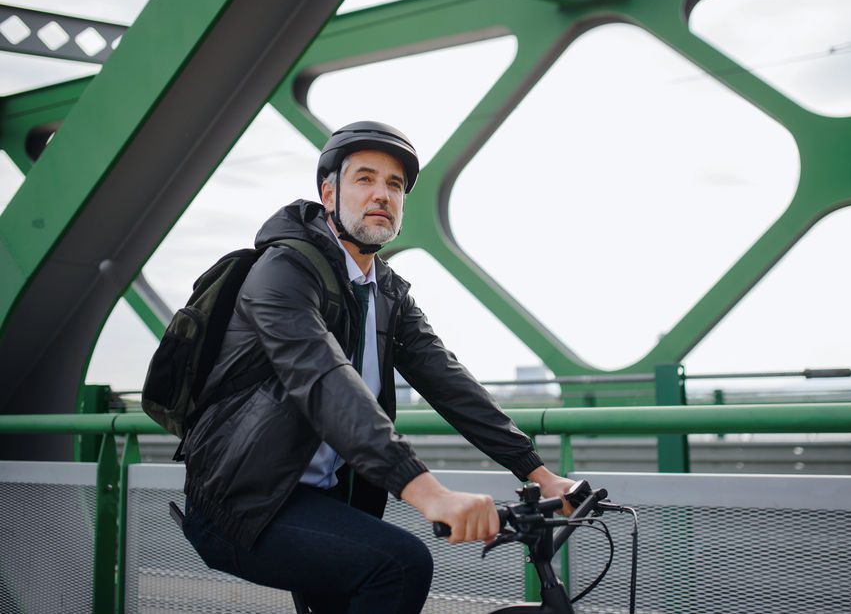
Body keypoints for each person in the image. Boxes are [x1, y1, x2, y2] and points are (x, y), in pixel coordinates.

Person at [180, 121, 574, 613]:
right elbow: (324, 379)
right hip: (242, 503)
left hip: (326, 500)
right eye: (365, 179)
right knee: (400, 564)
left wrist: (537, 472)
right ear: (329, 193)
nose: (381, 194)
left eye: (394, 185)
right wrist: (426, 491)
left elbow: (447, 380)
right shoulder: (282, 272)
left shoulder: (386, 291)